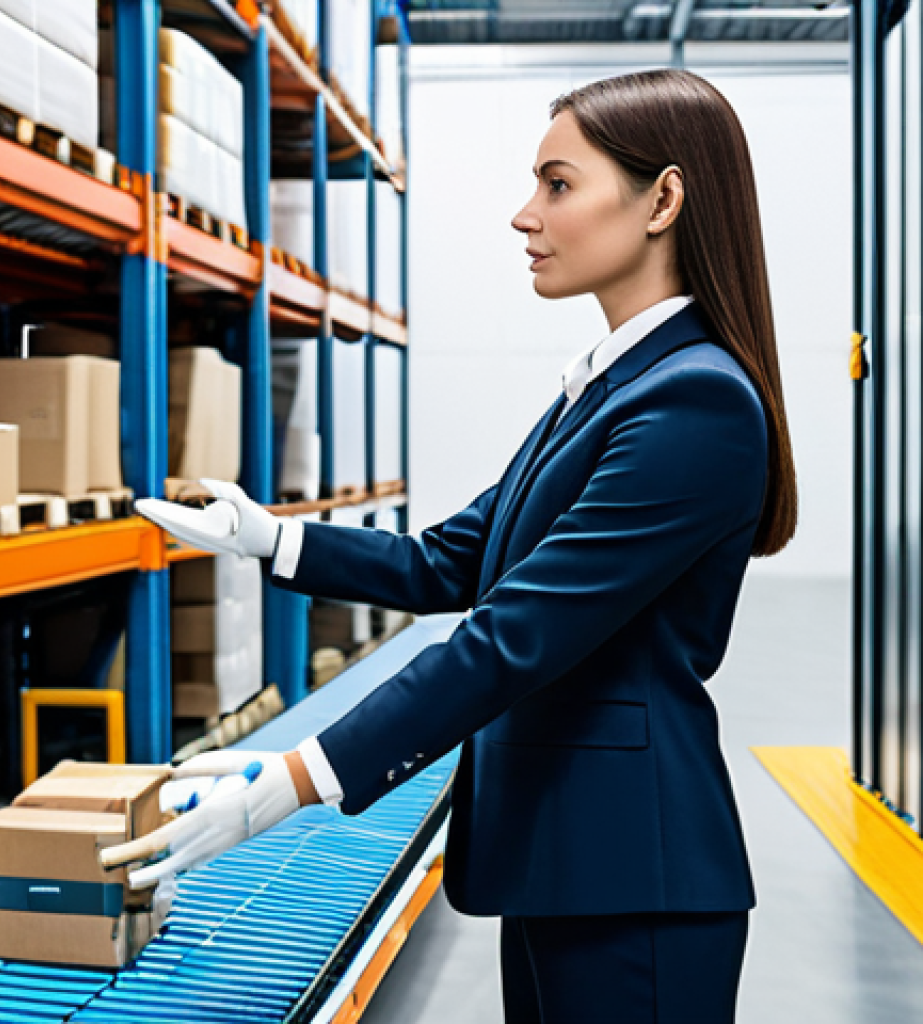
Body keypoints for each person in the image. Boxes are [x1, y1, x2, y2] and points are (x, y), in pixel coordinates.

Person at [108, 68, 797, 1023]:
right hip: (568, 861)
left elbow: (515, 634)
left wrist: (294, 781)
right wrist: (268, 539)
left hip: (636, 880)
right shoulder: (607, 388)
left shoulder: (694, 400)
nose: (525, 214)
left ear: (663, 200)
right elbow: (452, 562)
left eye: (558, 184)